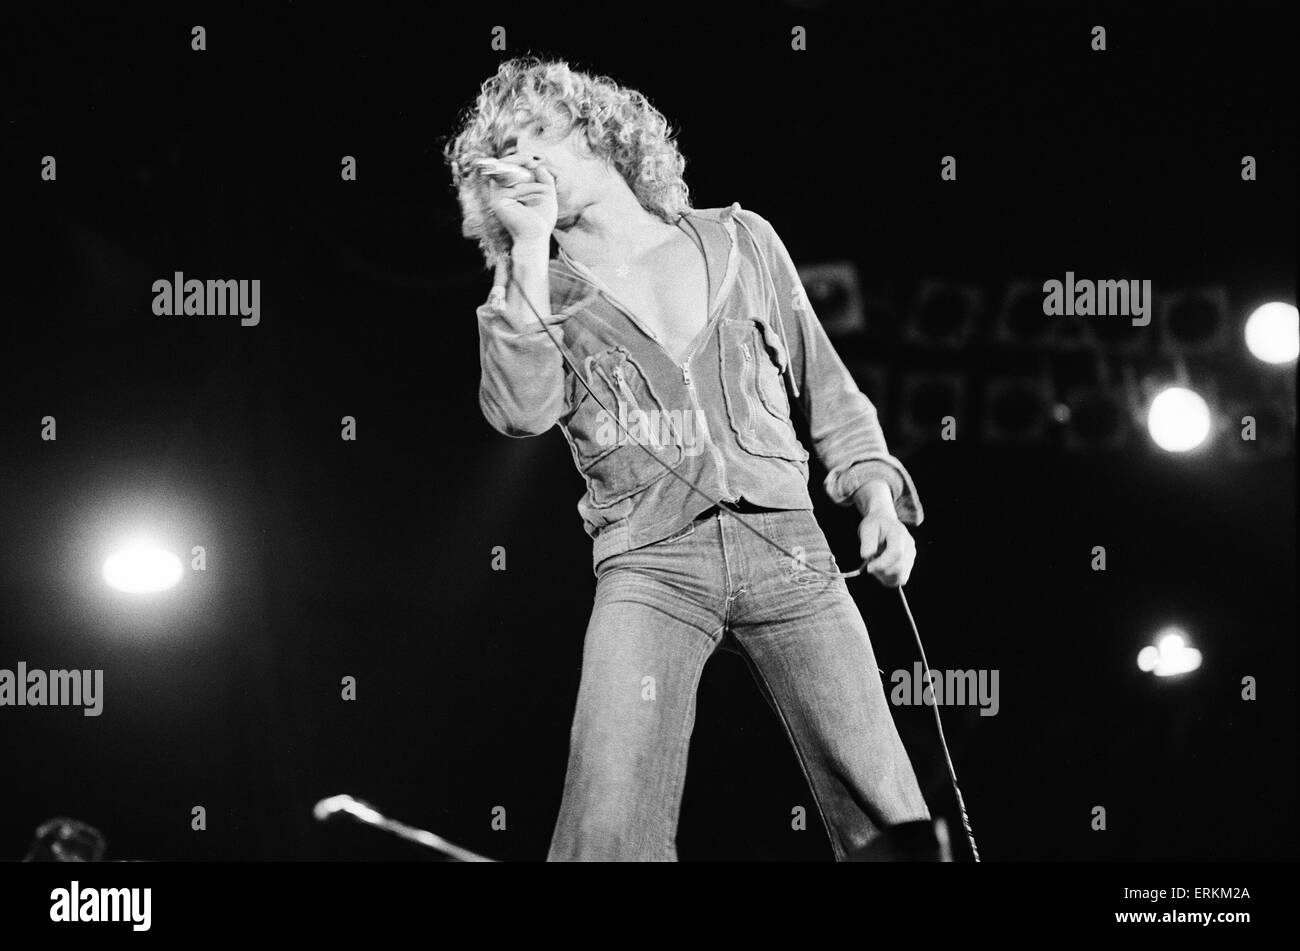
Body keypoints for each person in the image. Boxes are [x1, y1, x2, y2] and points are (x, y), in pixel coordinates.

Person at [446, 57, 931, 861]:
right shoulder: (542, 288)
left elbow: (830, 390)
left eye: (537, 138)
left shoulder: (741, 240)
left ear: (598, 132)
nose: (525, 164)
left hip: (792, 552)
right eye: (506, 156)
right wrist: (523, 252)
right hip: (650, 562)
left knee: (887, 808)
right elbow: (520, 413)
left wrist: (878, 498)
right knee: (607, 818)